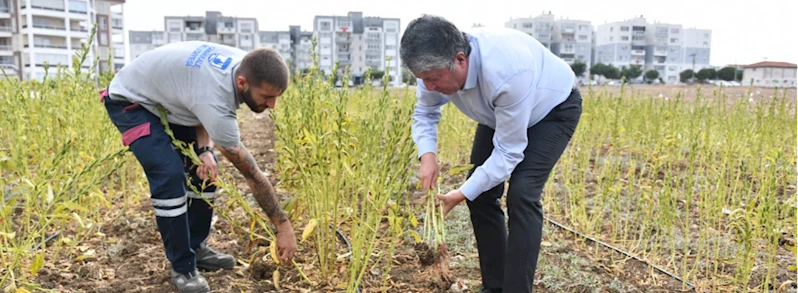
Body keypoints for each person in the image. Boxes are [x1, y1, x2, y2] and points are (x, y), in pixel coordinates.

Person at [400, 15, 582, 293]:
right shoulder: (433, 67)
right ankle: (494, 286)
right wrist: (427, 155)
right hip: (499, 113)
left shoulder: (506, 71)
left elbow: (508, 153)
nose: (428, 87)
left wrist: (459, 194)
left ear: (460, 60)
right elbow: (425, 112)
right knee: (482, 194)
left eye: (433, 79)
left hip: (552, 110)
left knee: (523, 194)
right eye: (422, 80)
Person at [100, 41, 297, 293]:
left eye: (276, 97)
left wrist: (204, 150)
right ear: (242, 83)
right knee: (170, 177)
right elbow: (251, 173)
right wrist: (282, 225)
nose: (272, 105)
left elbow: (197, 103)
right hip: (132, 101)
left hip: (172, 101)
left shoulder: (245, 65)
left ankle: (196, 247)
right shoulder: (215, 94)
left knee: (205, 172)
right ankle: (182, 267)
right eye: (267, 97)